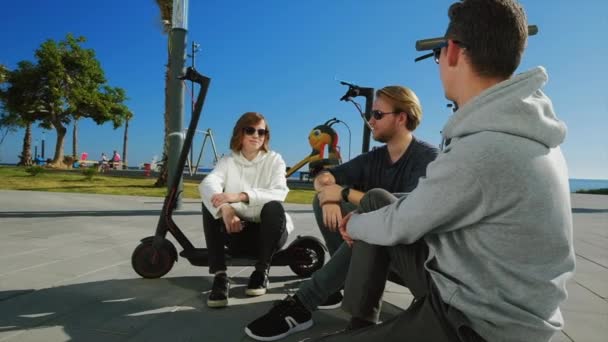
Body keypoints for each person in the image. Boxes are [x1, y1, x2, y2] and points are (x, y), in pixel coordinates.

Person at [315, 1, 575, 341]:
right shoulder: (536, 135)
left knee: (375, 219)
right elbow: (425, 204)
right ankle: (361, 323)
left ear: (452, 52)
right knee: (378, 203)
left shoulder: (483, 147)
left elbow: (403, 222)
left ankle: (316, 305)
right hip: (486, 291)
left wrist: (355, 221)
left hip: (478, 323)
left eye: (437, 56)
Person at [245, 86, 438, 341]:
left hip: (412, 258)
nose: (370, 121)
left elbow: (407, 214)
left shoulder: (428, 158)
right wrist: (328, 199)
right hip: (376, 248)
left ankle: (304, 303)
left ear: (401, 118)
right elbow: (324, 177)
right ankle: (338, 281)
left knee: (373, 212)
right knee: (323, 200)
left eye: (378, 115)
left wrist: (344, 194)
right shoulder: (374, 158)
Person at [199, 112, 293, 308]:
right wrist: (225, 208)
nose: (257, 135)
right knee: (210, 202)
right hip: (237, 232)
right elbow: (208, 183)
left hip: (269, 236)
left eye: (262, 131)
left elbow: (279, 192)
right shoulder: (227, 161)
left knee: (274, 207)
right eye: (250, 130)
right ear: (239, 133)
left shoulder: (274, 159)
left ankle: (261, 271)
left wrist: (239, 196)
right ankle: (220, 276)